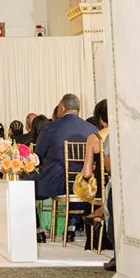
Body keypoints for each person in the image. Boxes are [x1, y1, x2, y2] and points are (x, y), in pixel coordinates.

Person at [33, 93, 98, 242]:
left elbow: (38, 156)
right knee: (75, 184)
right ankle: (71, 228)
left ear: (62, 108)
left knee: (24, 185)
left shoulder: (50, 128)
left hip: (54, 182)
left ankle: (38, 230)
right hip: (83, 183)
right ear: (78, 109)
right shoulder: (92, 129)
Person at [82, 99, 114, 267]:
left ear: (101, 118)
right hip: (116, 183)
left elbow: (86, 173)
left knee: (90, 194)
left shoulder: (94, 138)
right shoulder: (124, 132)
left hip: (102, 189)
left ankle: (96, 218)